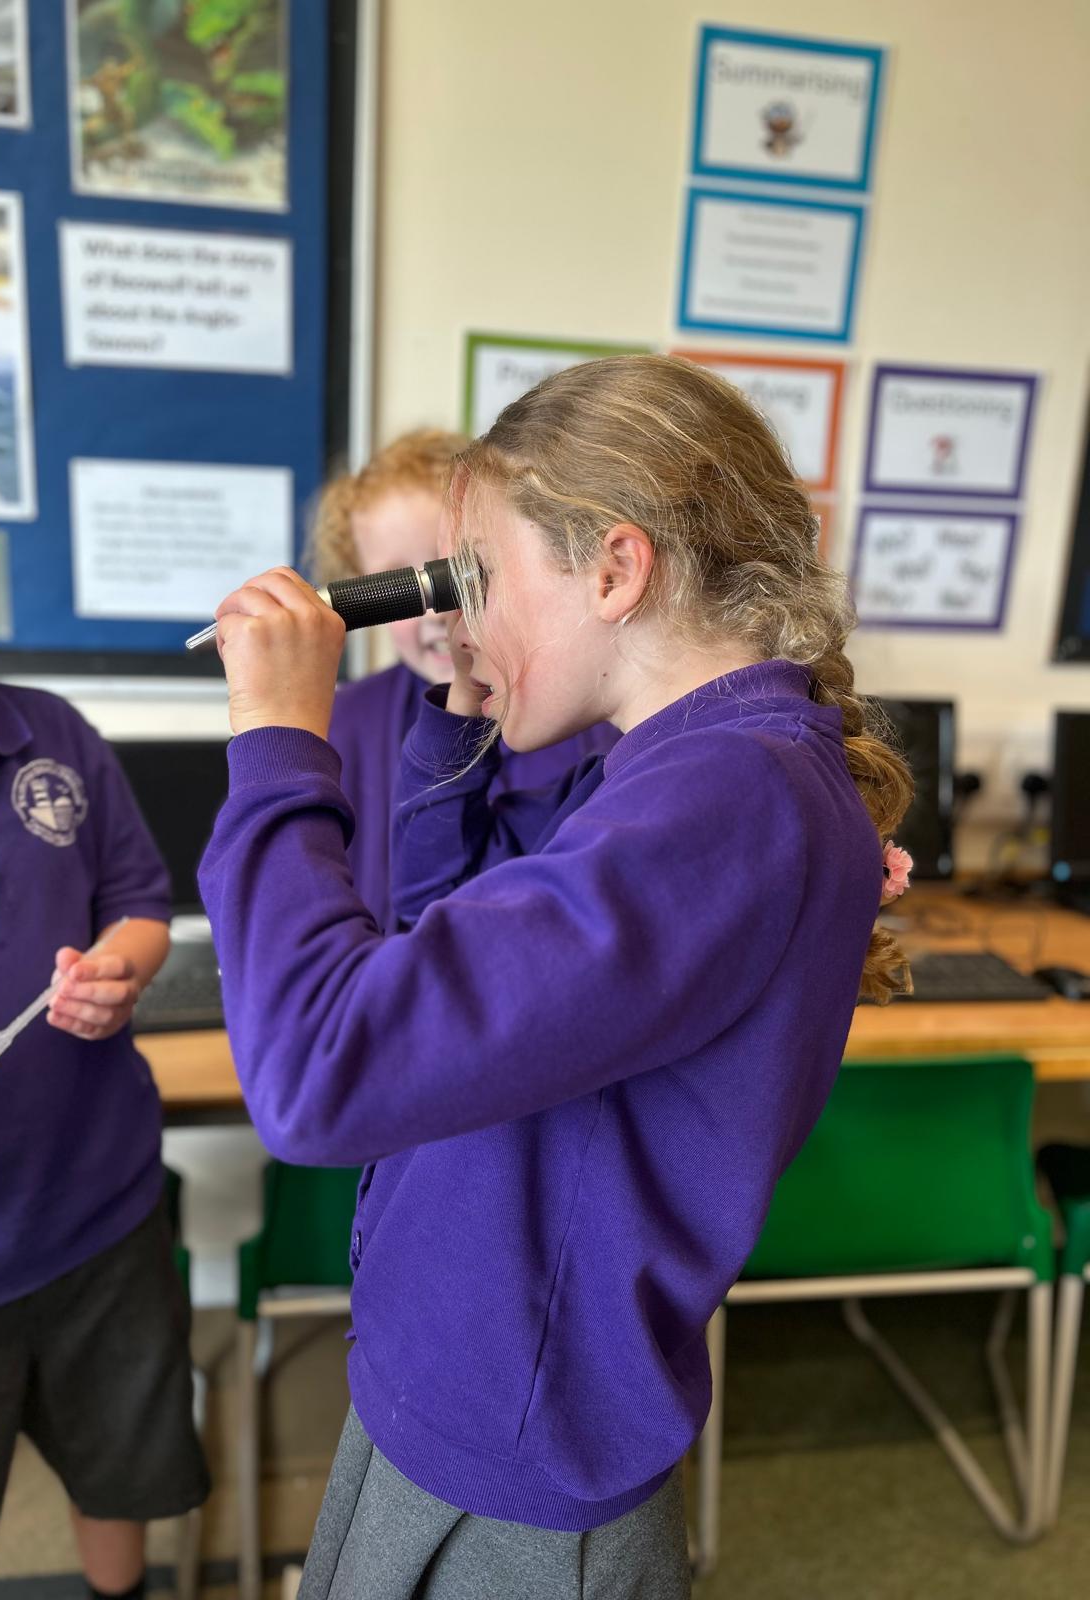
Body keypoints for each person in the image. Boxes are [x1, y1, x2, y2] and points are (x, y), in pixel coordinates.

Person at [199, 355, 913, 1598]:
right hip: (466, 1386)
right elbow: (443, 946)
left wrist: (275, 743)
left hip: (518, 1449)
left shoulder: (723, 797)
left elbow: (320, 1071)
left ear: (616, 569)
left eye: (479, 579)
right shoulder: (680, 768)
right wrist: (454, 723)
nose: (458, 622)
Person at [0, 388, 207, 1600]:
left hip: (97, 1223)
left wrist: (121, 965)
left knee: (118, 1477)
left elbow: (137, 901)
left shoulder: (54, 736)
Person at [310, 427, 614, 929]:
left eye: (456, 573)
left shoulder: (582, 711)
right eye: (396, 588)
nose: (435, 611)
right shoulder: (341, 724)